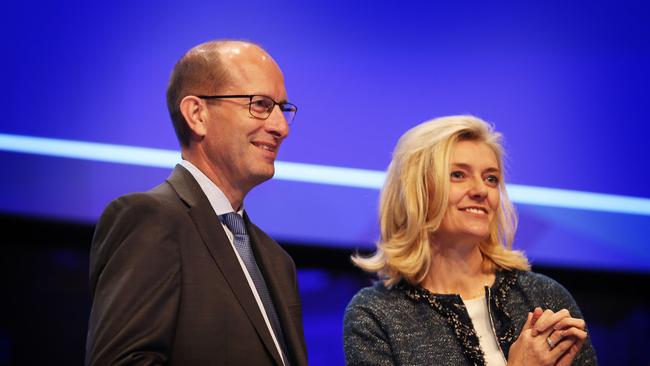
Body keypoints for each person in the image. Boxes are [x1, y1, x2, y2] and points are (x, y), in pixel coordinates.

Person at [86, 40, 308, 365]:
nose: (281, 127)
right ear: (197, 114)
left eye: (282, 108)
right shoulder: (150, 220)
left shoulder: (277, 261)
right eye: (260, 105)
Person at [344, 115, 597, 365]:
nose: (480, 190)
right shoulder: (376, 314)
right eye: (458, 175)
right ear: (416, 192)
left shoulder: (543, 296)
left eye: (491, 178)